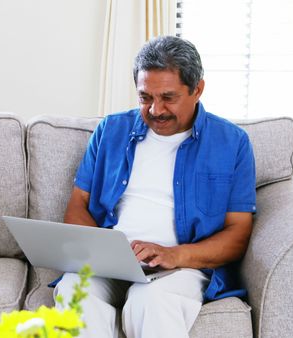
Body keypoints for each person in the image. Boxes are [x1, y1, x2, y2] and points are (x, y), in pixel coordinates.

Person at [53, 36, 256, 337]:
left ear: (197, 89)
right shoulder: (110, 131)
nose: (155, 110)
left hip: (181, 267)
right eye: (145, 97)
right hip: (112, 263)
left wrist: (175, 255)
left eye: (168, 98)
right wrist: (104, 251)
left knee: (152, 301)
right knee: (72, 291)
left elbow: (238, 234)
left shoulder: (232, 143)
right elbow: (77, 206)